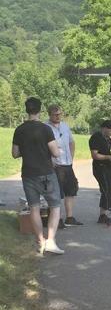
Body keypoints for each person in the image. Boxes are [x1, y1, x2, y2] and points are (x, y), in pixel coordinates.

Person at [12, 96, 64, 255]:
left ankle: (40, 241)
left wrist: (27, 150)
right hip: (46, 173)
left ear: (26, 110)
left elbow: (15, 153)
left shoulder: (19, 130)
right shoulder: (45, 129)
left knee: (34, 207)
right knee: (55, 206)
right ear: (40, 110)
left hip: (28, 174)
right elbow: (55, 153)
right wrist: (57, 149)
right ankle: (51, 241)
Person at [46, 104, 82, 227]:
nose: (58, 116)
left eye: (59, 114)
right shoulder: (46, 128)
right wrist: (50, 161)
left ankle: (69, 217)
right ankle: (58, 219)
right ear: (49, 115)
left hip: (67, 164)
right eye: (55, 115)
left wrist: (71, 158)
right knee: (57, 194)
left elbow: (71, 142)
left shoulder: (65, 126)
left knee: (71, 190)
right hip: (56, 165)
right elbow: (44, 147)